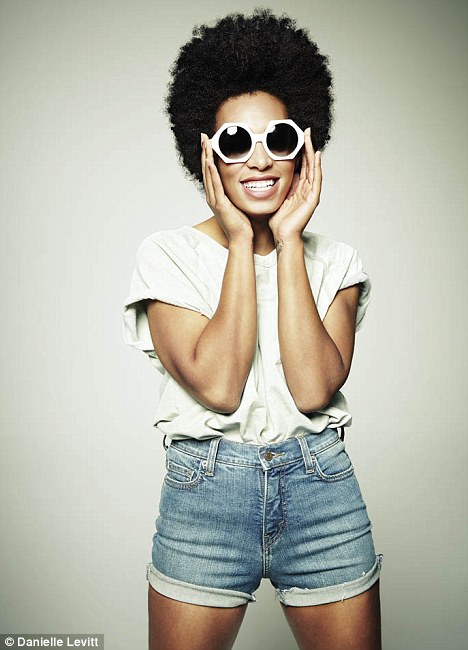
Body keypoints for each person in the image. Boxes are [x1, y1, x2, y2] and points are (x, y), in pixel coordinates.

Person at [123, 9, 383, 650]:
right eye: (236, 142)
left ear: (305, 149)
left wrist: (288, 239)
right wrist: (241, 239)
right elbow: (219, 386)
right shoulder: (168, 256)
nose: (260, 160)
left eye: (280, 140)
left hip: (322, 494)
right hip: (204, 497)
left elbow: (314, 389)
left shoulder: (336, 262)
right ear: (207, 154)